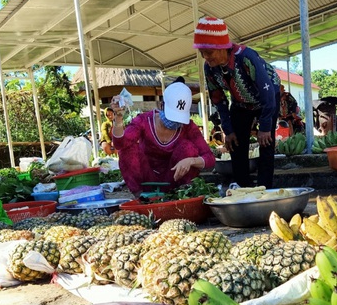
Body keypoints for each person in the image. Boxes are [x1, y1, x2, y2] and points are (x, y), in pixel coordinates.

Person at [193, 16, 280, 189]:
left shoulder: (247, 57)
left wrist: (264, 126)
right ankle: (244, 189)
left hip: (267, 97)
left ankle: (265, 190)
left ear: (222, 47)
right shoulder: (209, 67)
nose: (205, 57)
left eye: (208, 52)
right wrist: (228, 129)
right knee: (235, 144)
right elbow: (218, 98)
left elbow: (268, 92)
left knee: (266, 143)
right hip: (240, 103)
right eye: (202, 52)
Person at [110, 78, 215, 197]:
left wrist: (191, 161)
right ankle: (141, 197)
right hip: (147, 179)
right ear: (161, 105)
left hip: (175, 180)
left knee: (188, 148)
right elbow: (120, 145)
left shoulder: (188, 127)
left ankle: (182, 195)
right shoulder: (143, 121)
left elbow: (210, 158)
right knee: (128, 149)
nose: (175, 121)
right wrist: (118, 117)